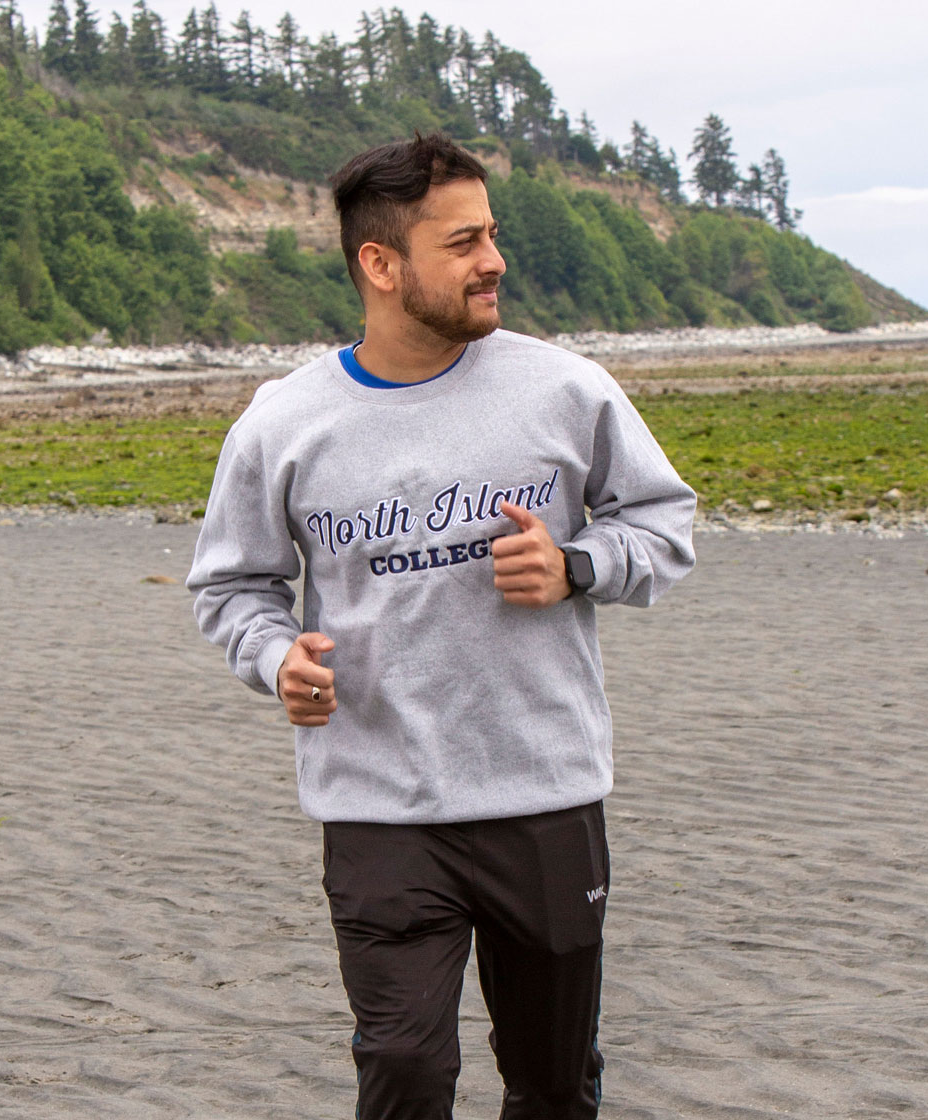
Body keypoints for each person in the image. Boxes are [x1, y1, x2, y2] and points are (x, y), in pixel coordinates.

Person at [187, 133, 695, 1119]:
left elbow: (665, 525)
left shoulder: (563, 390)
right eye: (463, 242)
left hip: (542, 793)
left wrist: (576, 564)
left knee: (553, 1084)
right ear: (380, 264)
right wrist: (273, 655)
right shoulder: (284, 424)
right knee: (407, 1072)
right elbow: (233, 587)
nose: (494, 260)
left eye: (492, 235)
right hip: (380, 806)